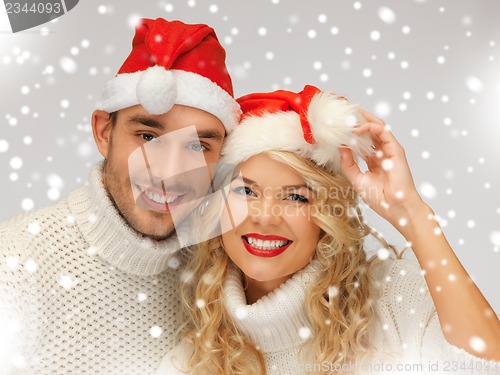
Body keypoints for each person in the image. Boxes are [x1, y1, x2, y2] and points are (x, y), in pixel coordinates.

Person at [158, 86, 500, 374]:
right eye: (246, 191)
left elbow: (487, 364)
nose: (265, 217)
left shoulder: (392, 296)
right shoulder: (191, 362)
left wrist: (412, 213)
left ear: (328, 214)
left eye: (295, 196)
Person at [0, 18, 240, 375]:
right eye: (147, 137)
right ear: (103, 131)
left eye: (196, 145)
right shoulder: (14, 264)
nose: (168, 172)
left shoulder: (220, 267)